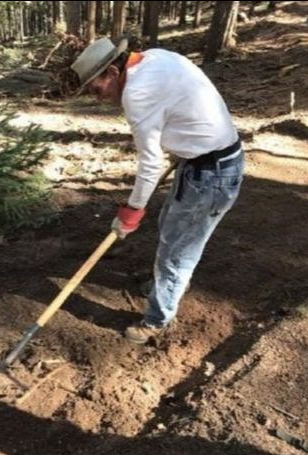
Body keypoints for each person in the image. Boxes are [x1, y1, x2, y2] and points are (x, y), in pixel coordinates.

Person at [71, 38, 244, 344]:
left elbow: (150, 163)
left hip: (211, 172)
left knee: (176, 249)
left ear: (112, 71)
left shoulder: (137, 93)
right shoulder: (153, 57)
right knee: (171, 228)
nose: (98, 99)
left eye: (97, 90)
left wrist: (131, 212)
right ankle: (168, 284)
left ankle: (157, 320)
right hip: (202, 160)